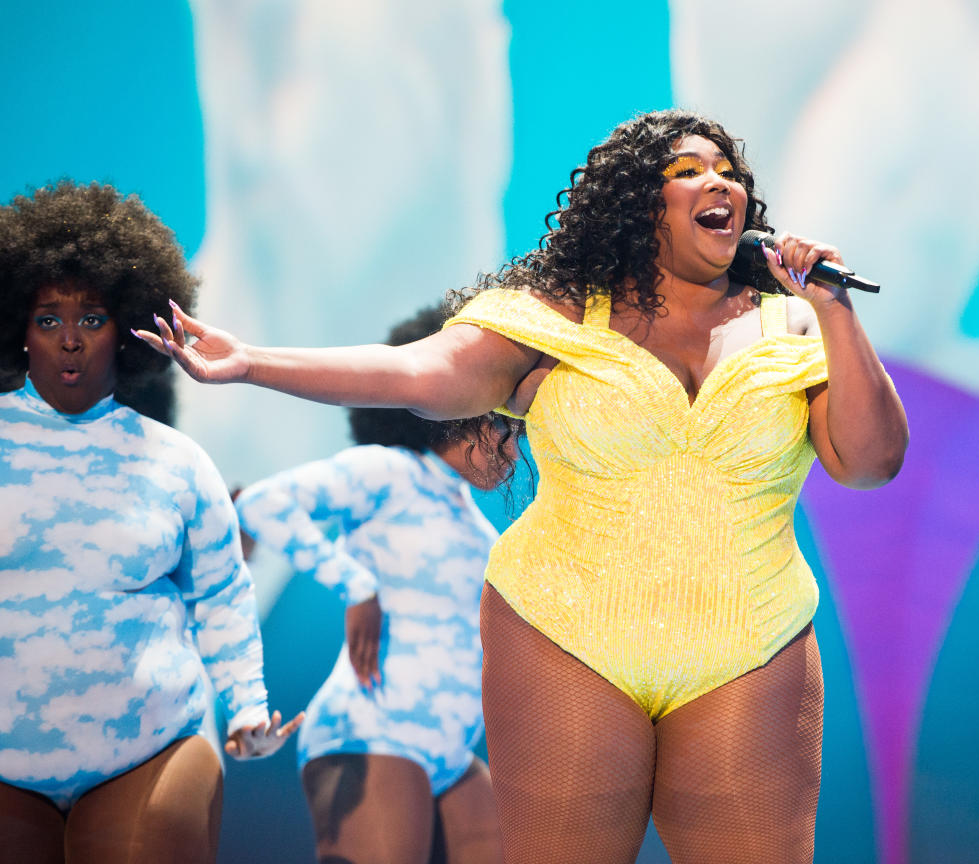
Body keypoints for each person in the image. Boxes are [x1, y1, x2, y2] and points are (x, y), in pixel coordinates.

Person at [137, 109, 909, 863]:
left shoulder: (794, 327)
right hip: (564, 631)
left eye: (729, 173)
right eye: (689, 171)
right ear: (641, 205)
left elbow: (871, 463)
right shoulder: (558, 315)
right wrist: (253, 361)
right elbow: (421, 374)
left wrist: (833, 307)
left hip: (753, 638)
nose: (720, 183)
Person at [0, 180, 302, 864]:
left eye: (94, 318)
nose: (70, 340)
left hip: (147, 751)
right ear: (16, 327)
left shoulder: (179, 463)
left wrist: (249, 708)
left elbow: (223, 596)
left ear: (130, 331)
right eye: (48, 319)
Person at [233, 305, 508, 864]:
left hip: (452, 755)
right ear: (461, 407)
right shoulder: (389, 471)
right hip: (371, 729)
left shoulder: (482, 528)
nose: (513, 445)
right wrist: (356, 584)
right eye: (502, 423)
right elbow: (263, 504)